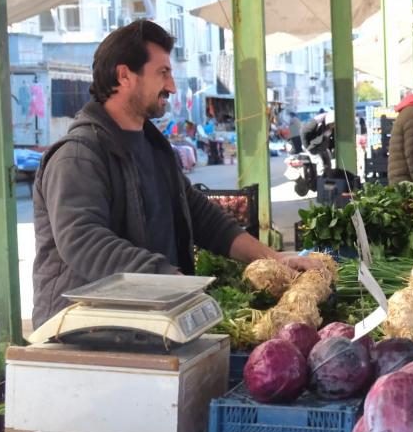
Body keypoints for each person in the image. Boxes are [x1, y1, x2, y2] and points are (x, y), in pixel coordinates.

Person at [31, 20, 316, 327]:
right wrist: (169, 281)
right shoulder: (78, 154)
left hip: (144, 321)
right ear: (124, 75)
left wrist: (274, 259)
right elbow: (84, 241)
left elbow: (201, 216)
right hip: (81, 333)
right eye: (162, 73)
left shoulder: (154, 147)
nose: (172, 86)